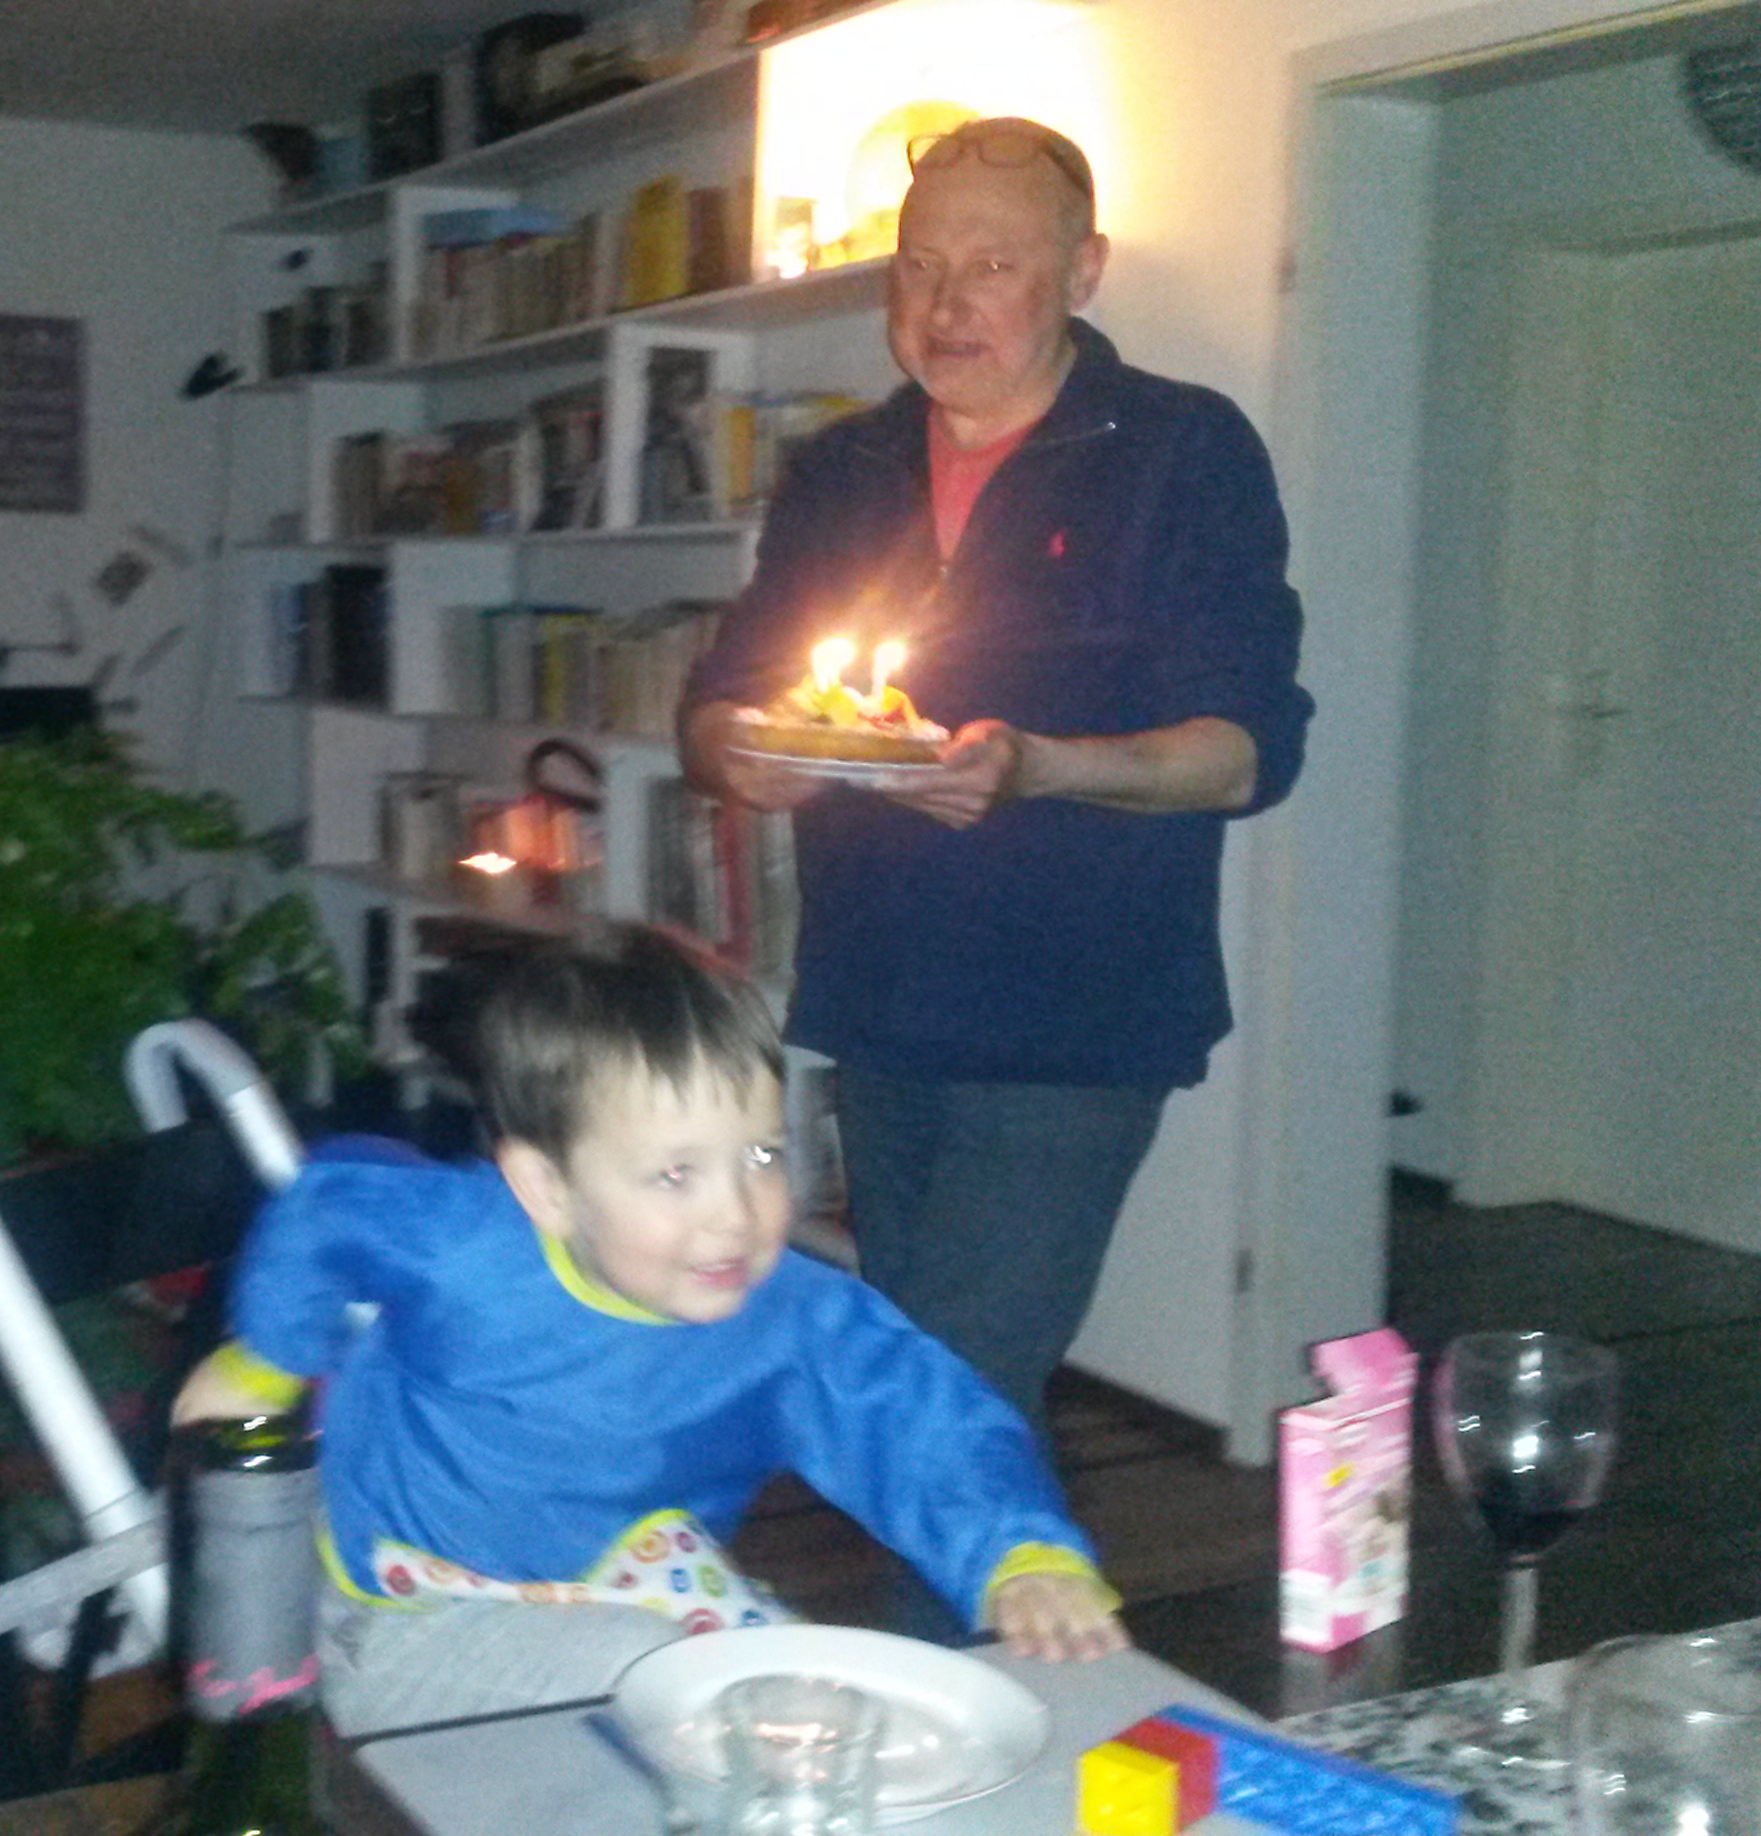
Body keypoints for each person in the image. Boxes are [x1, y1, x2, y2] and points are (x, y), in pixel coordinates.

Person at [674, 118, 1313, 1432]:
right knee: (922, 1372)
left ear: (1084, 270)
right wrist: (746, 752)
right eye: (918, 267)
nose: (944, 304)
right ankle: (980, 1565)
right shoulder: (841, 470)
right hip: (879, 1000)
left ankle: (951, 1571)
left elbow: (1247, 751)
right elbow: (718, 705)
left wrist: (1038, 766)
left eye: (993, 266)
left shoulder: (1183, 452)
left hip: (1075, 1015)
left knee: (950, 1398)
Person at [172, 925, 1123, 1734]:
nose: (734, 1215)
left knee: (816, 1696)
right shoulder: (467, 1247)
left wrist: (1018, 1553)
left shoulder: (793, 1318)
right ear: (547, 1188)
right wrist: (265, 1362)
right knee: (680, 1695)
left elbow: (923, 1422)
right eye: (676, 1175)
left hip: (636, 1584)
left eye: (761, 1156)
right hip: (398, 1608)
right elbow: (332, 1204)